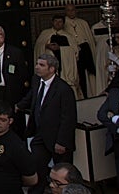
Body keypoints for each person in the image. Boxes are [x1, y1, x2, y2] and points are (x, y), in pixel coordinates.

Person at [16, 53, 77, 194]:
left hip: (57, 139)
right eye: (37, 64)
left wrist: (62, 141)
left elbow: (68, 118)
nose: (37, 67)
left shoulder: (64, 89)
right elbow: (33, 97)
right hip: (40, 136)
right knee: (37, 167)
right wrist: (18, 106)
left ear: (52, 69)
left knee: (63, 173)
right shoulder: (37, 81)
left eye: (41, 65)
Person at [0, 25, 29, 120]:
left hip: (10, 92)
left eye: (0, 34)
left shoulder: (16, 52)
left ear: (4, 36)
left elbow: (23, 74)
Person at [35, 15, 81, 98]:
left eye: (60, 22)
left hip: (65, 71)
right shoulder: (45, 33)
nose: (58, 23)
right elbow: (38, 47)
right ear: (52, 22)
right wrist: (46, 46)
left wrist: (60, 49)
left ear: (63, 23)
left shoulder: (68, 36)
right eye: (56, 21)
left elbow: (75, 52)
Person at [62, 4, 96, 96]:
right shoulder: (63, 23)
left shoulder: (83, 23)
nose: (71, 12)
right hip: (72, 54)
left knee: (87, 74)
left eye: (72, 10)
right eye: (68, 10)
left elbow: (89, 39)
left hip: (85, 51)